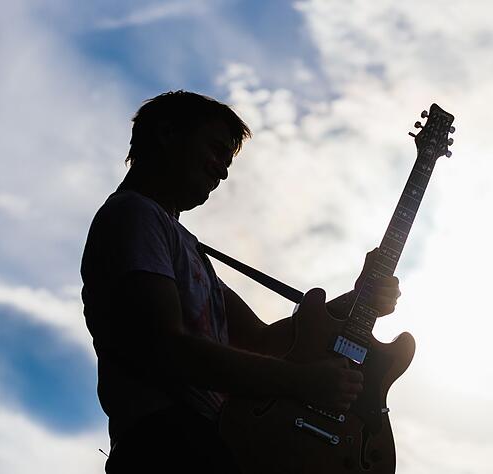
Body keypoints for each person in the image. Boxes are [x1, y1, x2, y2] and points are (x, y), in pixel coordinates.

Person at [80, 90, 401, 473]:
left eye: (227, 161)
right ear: (167, 134)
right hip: (165, 443)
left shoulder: (185, 244)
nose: (223, 170)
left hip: (211, 440)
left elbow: (264, 341)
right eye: (215, 150)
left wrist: (356, 299)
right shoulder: (134, 214)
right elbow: (168, 349)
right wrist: (301, 382)